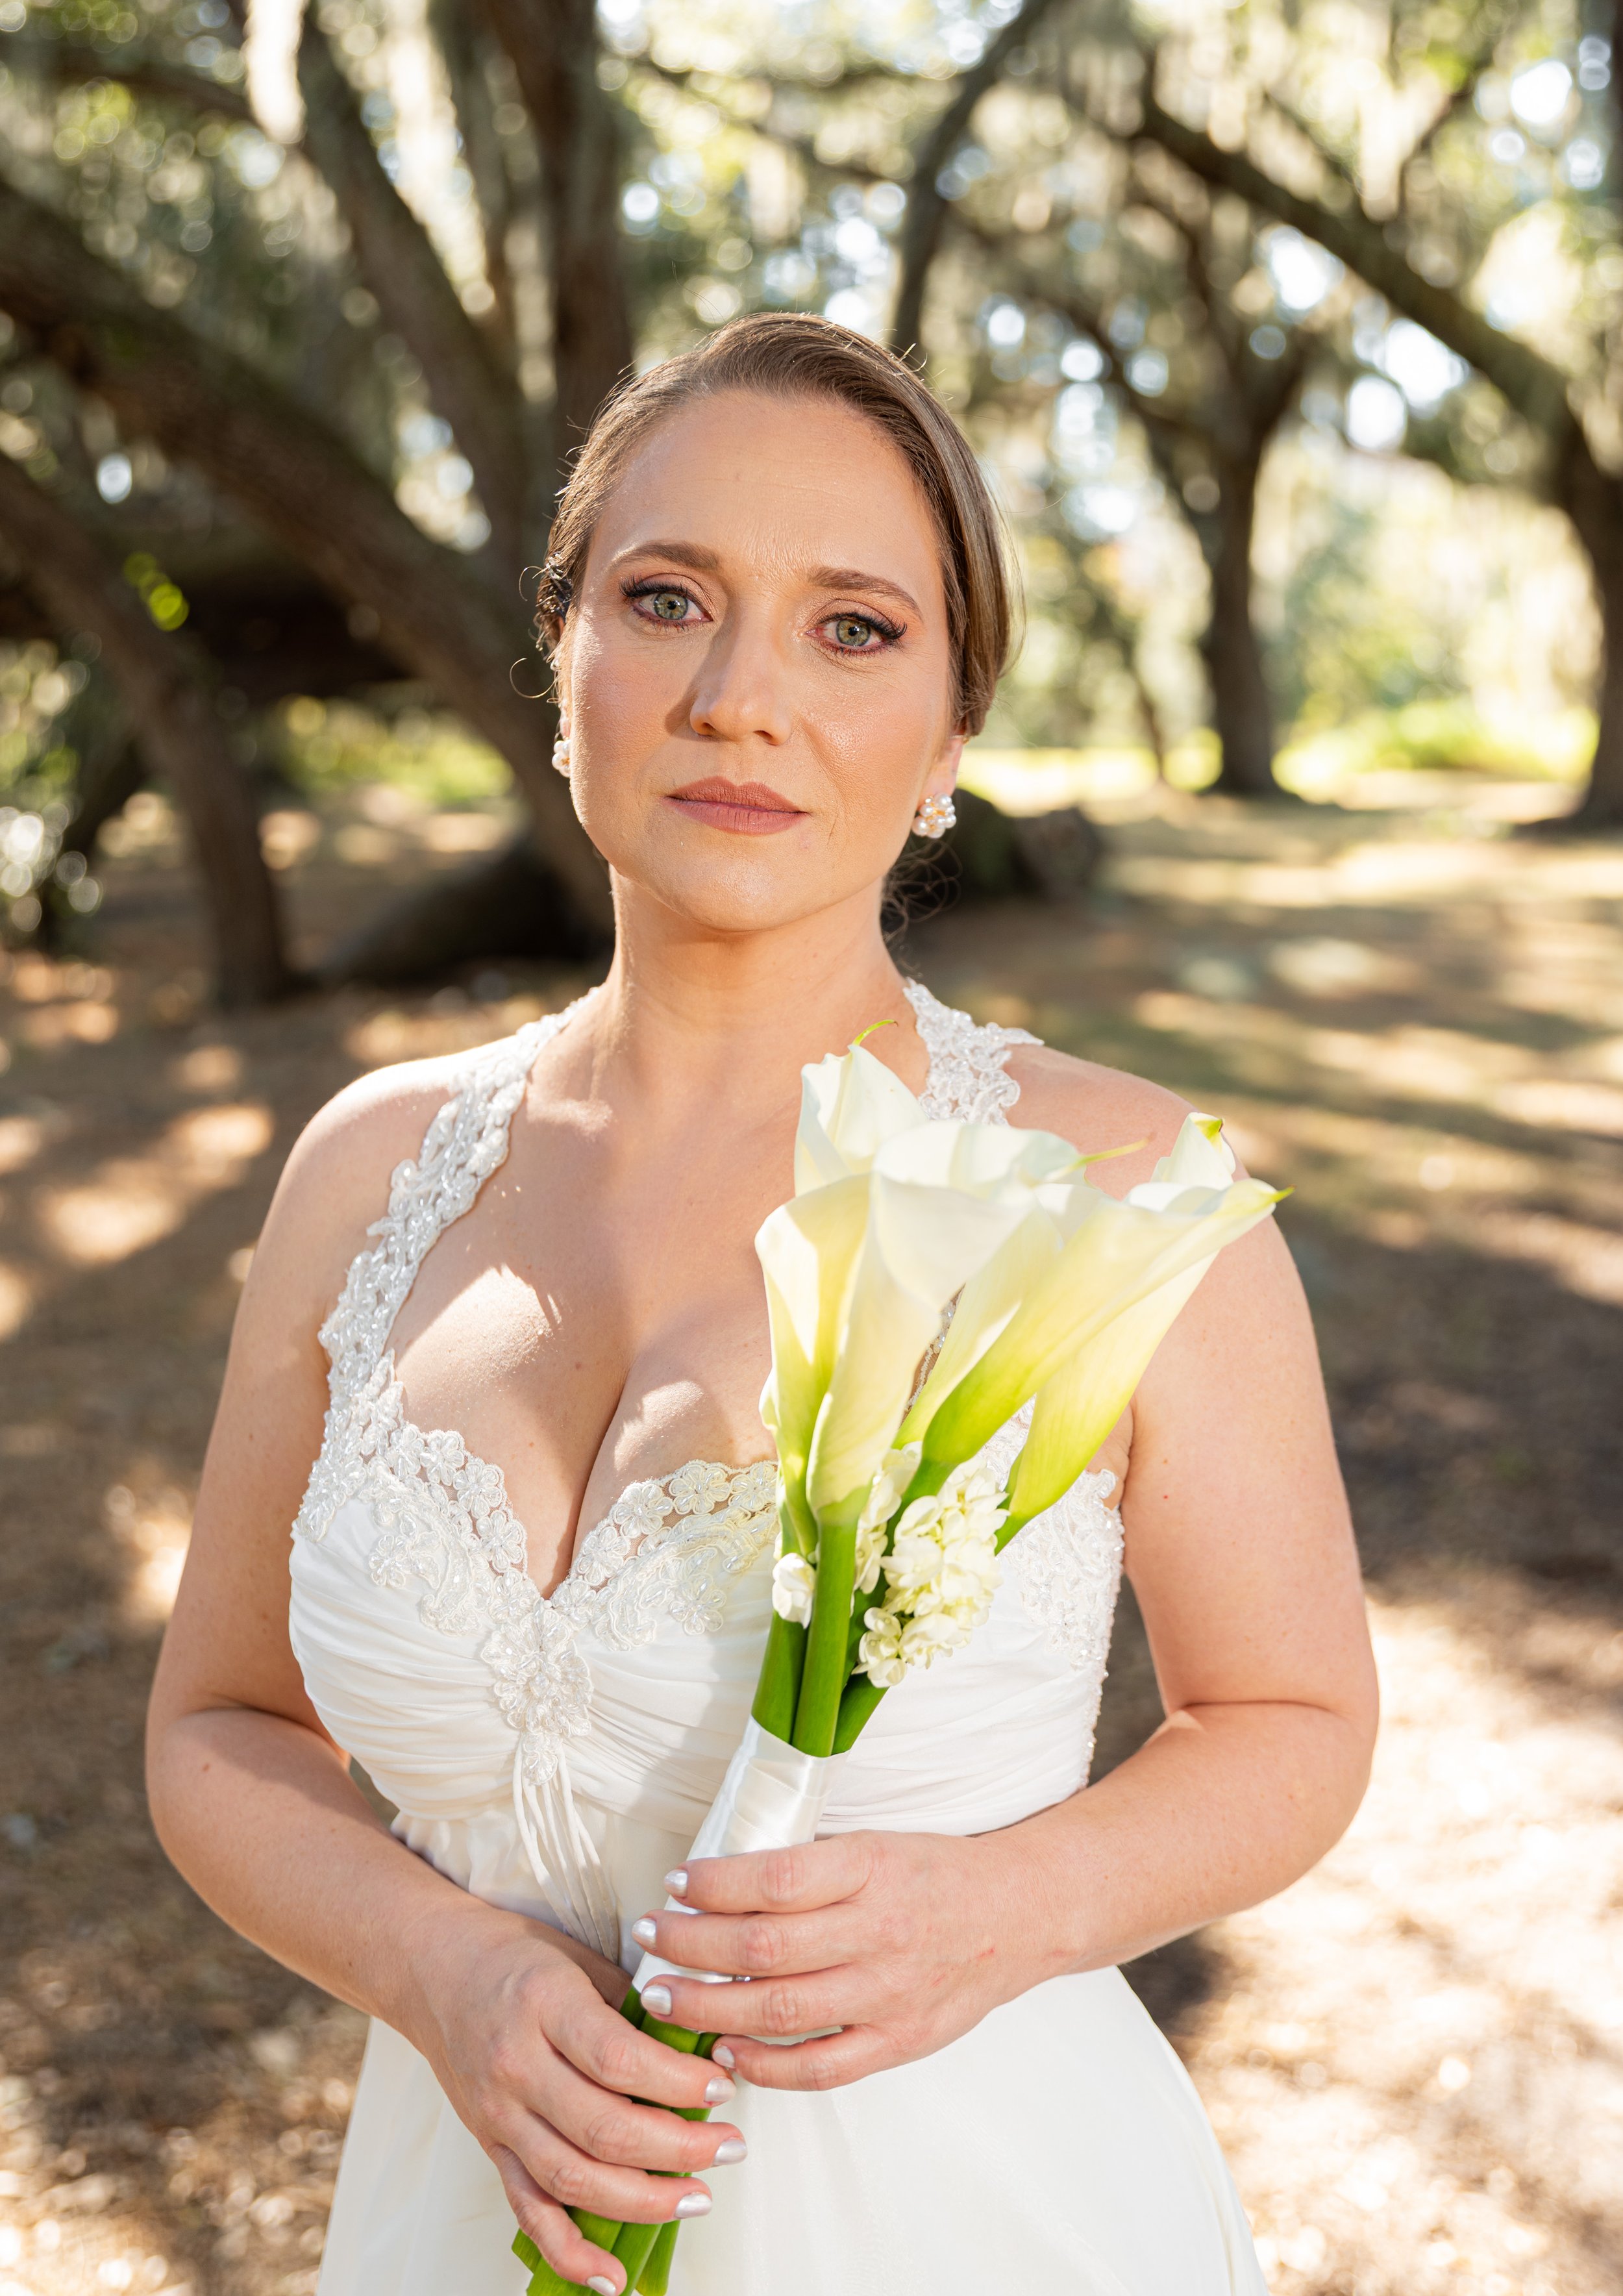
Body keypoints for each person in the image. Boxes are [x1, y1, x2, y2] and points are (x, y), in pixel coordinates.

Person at [147, 314, 1377, 2296]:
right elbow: (216, 1720)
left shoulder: (1125, 1193)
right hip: (460, 2214)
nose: (740, 698)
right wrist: (435, 1964)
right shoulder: (366, 1175)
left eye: (853, 629)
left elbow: (1294, 1717)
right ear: (563, 663)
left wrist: (1018, 1904)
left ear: (956, 726)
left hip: (965, 2225)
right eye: (667, 600)